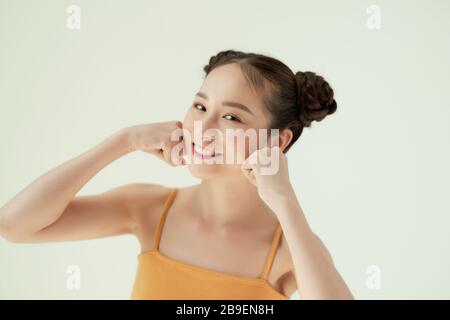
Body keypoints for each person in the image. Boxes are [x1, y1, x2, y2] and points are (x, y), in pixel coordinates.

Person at [0, 49, 353, 300]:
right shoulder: (150, 209)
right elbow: (14, 225)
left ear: (278, 140)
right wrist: (123, 141)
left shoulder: (290, 247)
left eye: (232, 117)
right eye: (200, 106)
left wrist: (284, 199)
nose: (202, 126)